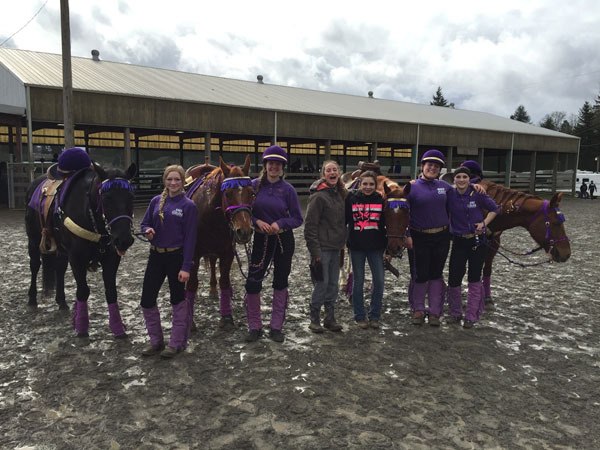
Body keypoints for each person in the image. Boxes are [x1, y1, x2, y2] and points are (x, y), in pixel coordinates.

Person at [244, 145, 303, 343]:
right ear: (265, 165)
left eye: (278, 164)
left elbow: (297, 218)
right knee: (253, 281)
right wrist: (256, 221)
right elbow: (244, 210)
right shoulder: (253, 186)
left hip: (282, 240)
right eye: (271, 163)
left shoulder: (288, 190)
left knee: (280, 280)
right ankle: (254, 325)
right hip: (261, 238)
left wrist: (280, 223)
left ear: (282, 167)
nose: (274, 167)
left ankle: (276, 326)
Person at [139, 165, 198, 358]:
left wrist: (186, 266)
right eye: (169, 179)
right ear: (165, 181)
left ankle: (176, 342)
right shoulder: (156, 201)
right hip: (156, 255)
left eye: (177, 180)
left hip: (176, 256)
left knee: (177, 299)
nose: (173, 183)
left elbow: (190, 238)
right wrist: (148, 230)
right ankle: (156, 341)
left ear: (183, 182)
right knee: (147, 299)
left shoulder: (188, 206)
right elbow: (144, 222)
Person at [446, 167, 500, 328]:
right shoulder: (449, 194)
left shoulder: (478, 194)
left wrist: (484, 223)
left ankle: (471, 315)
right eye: (458, 177)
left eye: (464, 177)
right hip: (458, 240)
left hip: (477, 241)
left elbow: (495, 209)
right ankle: (455, 313)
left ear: (469, 179)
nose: (461, 180)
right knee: (454, 277)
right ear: (454, 180)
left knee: (474, 278)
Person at [304, 160, 347, 333]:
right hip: (321, 248)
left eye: (335, 169)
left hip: (336, 247)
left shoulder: (340, 194)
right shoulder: (318, 197)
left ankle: (330, 317)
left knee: (333, 285)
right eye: (328, 170)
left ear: (339, 173)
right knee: (322, 283)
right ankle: (314, 318)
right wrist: (315, 252)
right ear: (324, 174)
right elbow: (310, 226)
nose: (332, 173)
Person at [345, 170, 387, 329]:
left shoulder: (381, 200)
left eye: (371, 184)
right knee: (358, 281)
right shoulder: (351, 199)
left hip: (376, 247)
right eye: (365, 184)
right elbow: (344, 219)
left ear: (375, 185)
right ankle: (359, 315)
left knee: (379, 281)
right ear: (360, 184)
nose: (368, 187)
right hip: (357, 247)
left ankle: (375, 315)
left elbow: (385, 222)